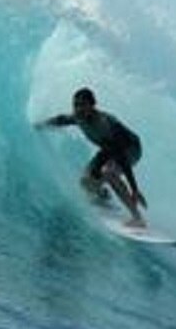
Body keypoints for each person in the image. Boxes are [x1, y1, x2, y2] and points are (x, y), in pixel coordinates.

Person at [36, 87, 148, 227]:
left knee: (109, 173)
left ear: (92, 105)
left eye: (82, 105)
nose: (78, 109)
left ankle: (137, 217)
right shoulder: (78, 117)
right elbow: (61, 119)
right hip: (109, 149)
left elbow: (122, 158)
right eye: (75, 104)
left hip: (130, 148)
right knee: (86, 182)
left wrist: (134, 189)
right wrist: (40, 125)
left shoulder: (105, 123)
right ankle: (103, 195)